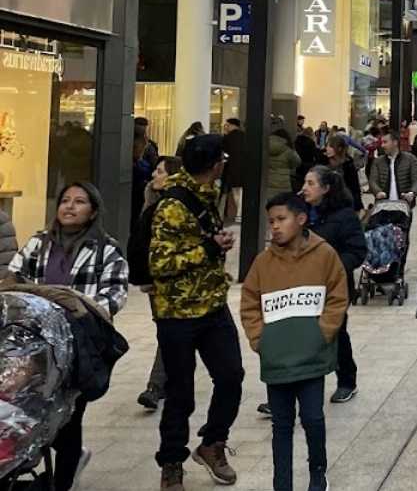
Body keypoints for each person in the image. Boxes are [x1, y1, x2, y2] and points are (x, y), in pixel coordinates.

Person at [8, 182, 129, 491]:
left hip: (77, 345)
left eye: (79, 202)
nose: (70, 207)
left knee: (70, 417)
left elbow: (114, 294)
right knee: (29, 412)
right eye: (65, 200)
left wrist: (80, 311)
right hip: (35, 347)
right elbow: (13, 279)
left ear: (93, 212)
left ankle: (62, 481)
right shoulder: (39, 244)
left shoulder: (106, 248)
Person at [149, 134, 243, 491]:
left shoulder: (206, 193)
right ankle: (172, 461)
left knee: (231, 376)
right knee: (180, 392)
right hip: (177, 312)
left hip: (212, 306)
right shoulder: (172, 204)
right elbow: (161, 263)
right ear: (215, 164)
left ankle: (212, 444)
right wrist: (208, 248)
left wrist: (214, 246)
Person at [241, 193, 348, 491]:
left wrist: (322, 333)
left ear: (301, 220)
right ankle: (282, 483)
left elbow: (338, 297)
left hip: (312, 358)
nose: (274, 227)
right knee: (281, 426)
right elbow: (249, 301)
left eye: (281, 219)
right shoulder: (262, 262)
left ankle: (318, 473)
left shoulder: (325, 255)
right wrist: (260, 339)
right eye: (271, 221)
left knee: (313, 419)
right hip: (277, 360)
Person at [300, 166, 367, 404]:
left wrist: (332, 267)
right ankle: (290, 389)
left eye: (311, 183)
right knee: (298, 335)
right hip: (303, 286)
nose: (305, 188)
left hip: (333, 287)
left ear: (326, 189)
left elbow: (358, 251)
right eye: (305, 182)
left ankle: (347, 380)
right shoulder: (300, 213)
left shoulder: (344, 216)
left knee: (335, 333)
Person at [136, 156, 182, 411]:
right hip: (155, 279)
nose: (154, 174)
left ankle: (155, 386)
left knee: (169, 332)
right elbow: (142, 244)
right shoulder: (150, 201)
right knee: (168, 332)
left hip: (176, 280)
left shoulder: (179, 206)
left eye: (160, 171)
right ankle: (167, 380)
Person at [368, 129, 417, 206]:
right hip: (383, 205)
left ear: (395, 142)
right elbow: (373, 180)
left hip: (404, 205)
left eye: (385, 142)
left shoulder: (410, 159)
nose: (382, 145)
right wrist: (377, 191)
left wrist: (412, 193)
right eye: (381, 142)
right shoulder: (378, 161)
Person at [323, 134, 363, 213]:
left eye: (330, 146)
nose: (326, 149)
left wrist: (358, 207)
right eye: (327, 146)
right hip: (326, 205)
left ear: (339, 149)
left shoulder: (348, 166)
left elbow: (355, 188)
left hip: (345, 205)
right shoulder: (323, 163)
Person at [220, 118, 246, 224]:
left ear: (232, 125)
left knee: (236, 192)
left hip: (232, 168)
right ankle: (241, 213)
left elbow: (224, 154)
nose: (226, 127)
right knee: (242, 192)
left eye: (227, 125)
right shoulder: (245, 136)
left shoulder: (227, 138)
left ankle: (238, 214)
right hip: (245, 168)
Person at [268, 129, 302, 196]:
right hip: (283, 186)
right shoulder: (288, 150)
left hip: (266, 185)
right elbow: (298, 162)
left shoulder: (264, 146)